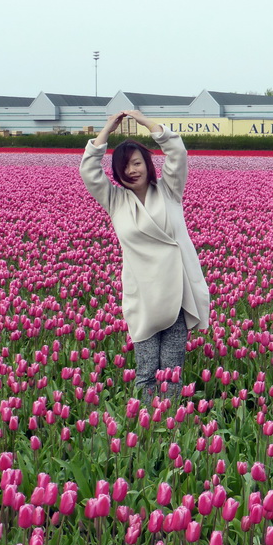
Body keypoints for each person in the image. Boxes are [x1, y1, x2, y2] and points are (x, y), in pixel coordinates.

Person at [80, 110, 210, 404]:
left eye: (137, 163)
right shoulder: (115, 201)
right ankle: (144, 427)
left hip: (175, 292)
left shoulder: (169, 191)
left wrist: (148, 124)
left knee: (172, 371)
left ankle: (172, 428)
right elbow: (89, 170)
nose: (132, 171)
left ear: (148, 165)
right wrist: (107, 129)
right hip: (142, 295)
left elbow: (177, 151)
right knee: (147, 370)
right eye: (124, 167)